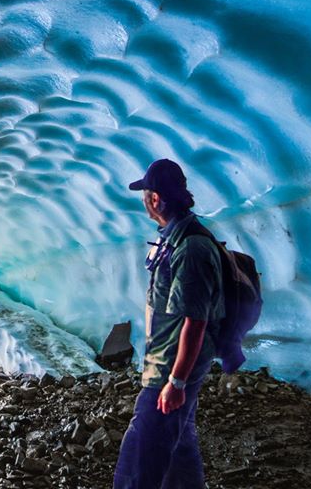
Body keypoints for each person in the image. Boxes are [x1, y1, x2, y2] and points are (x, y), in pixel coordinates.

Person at [113, 159, 225, 489]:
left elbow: (195, 319)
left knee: (142, 450)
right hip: (167, 361)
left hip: (173, 367)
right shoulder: (174, 239)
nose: (144, 200)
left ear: (156, 199)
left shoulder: (191, 248)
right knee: (180, 444)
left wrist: (176, 381)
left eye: (145, 193)